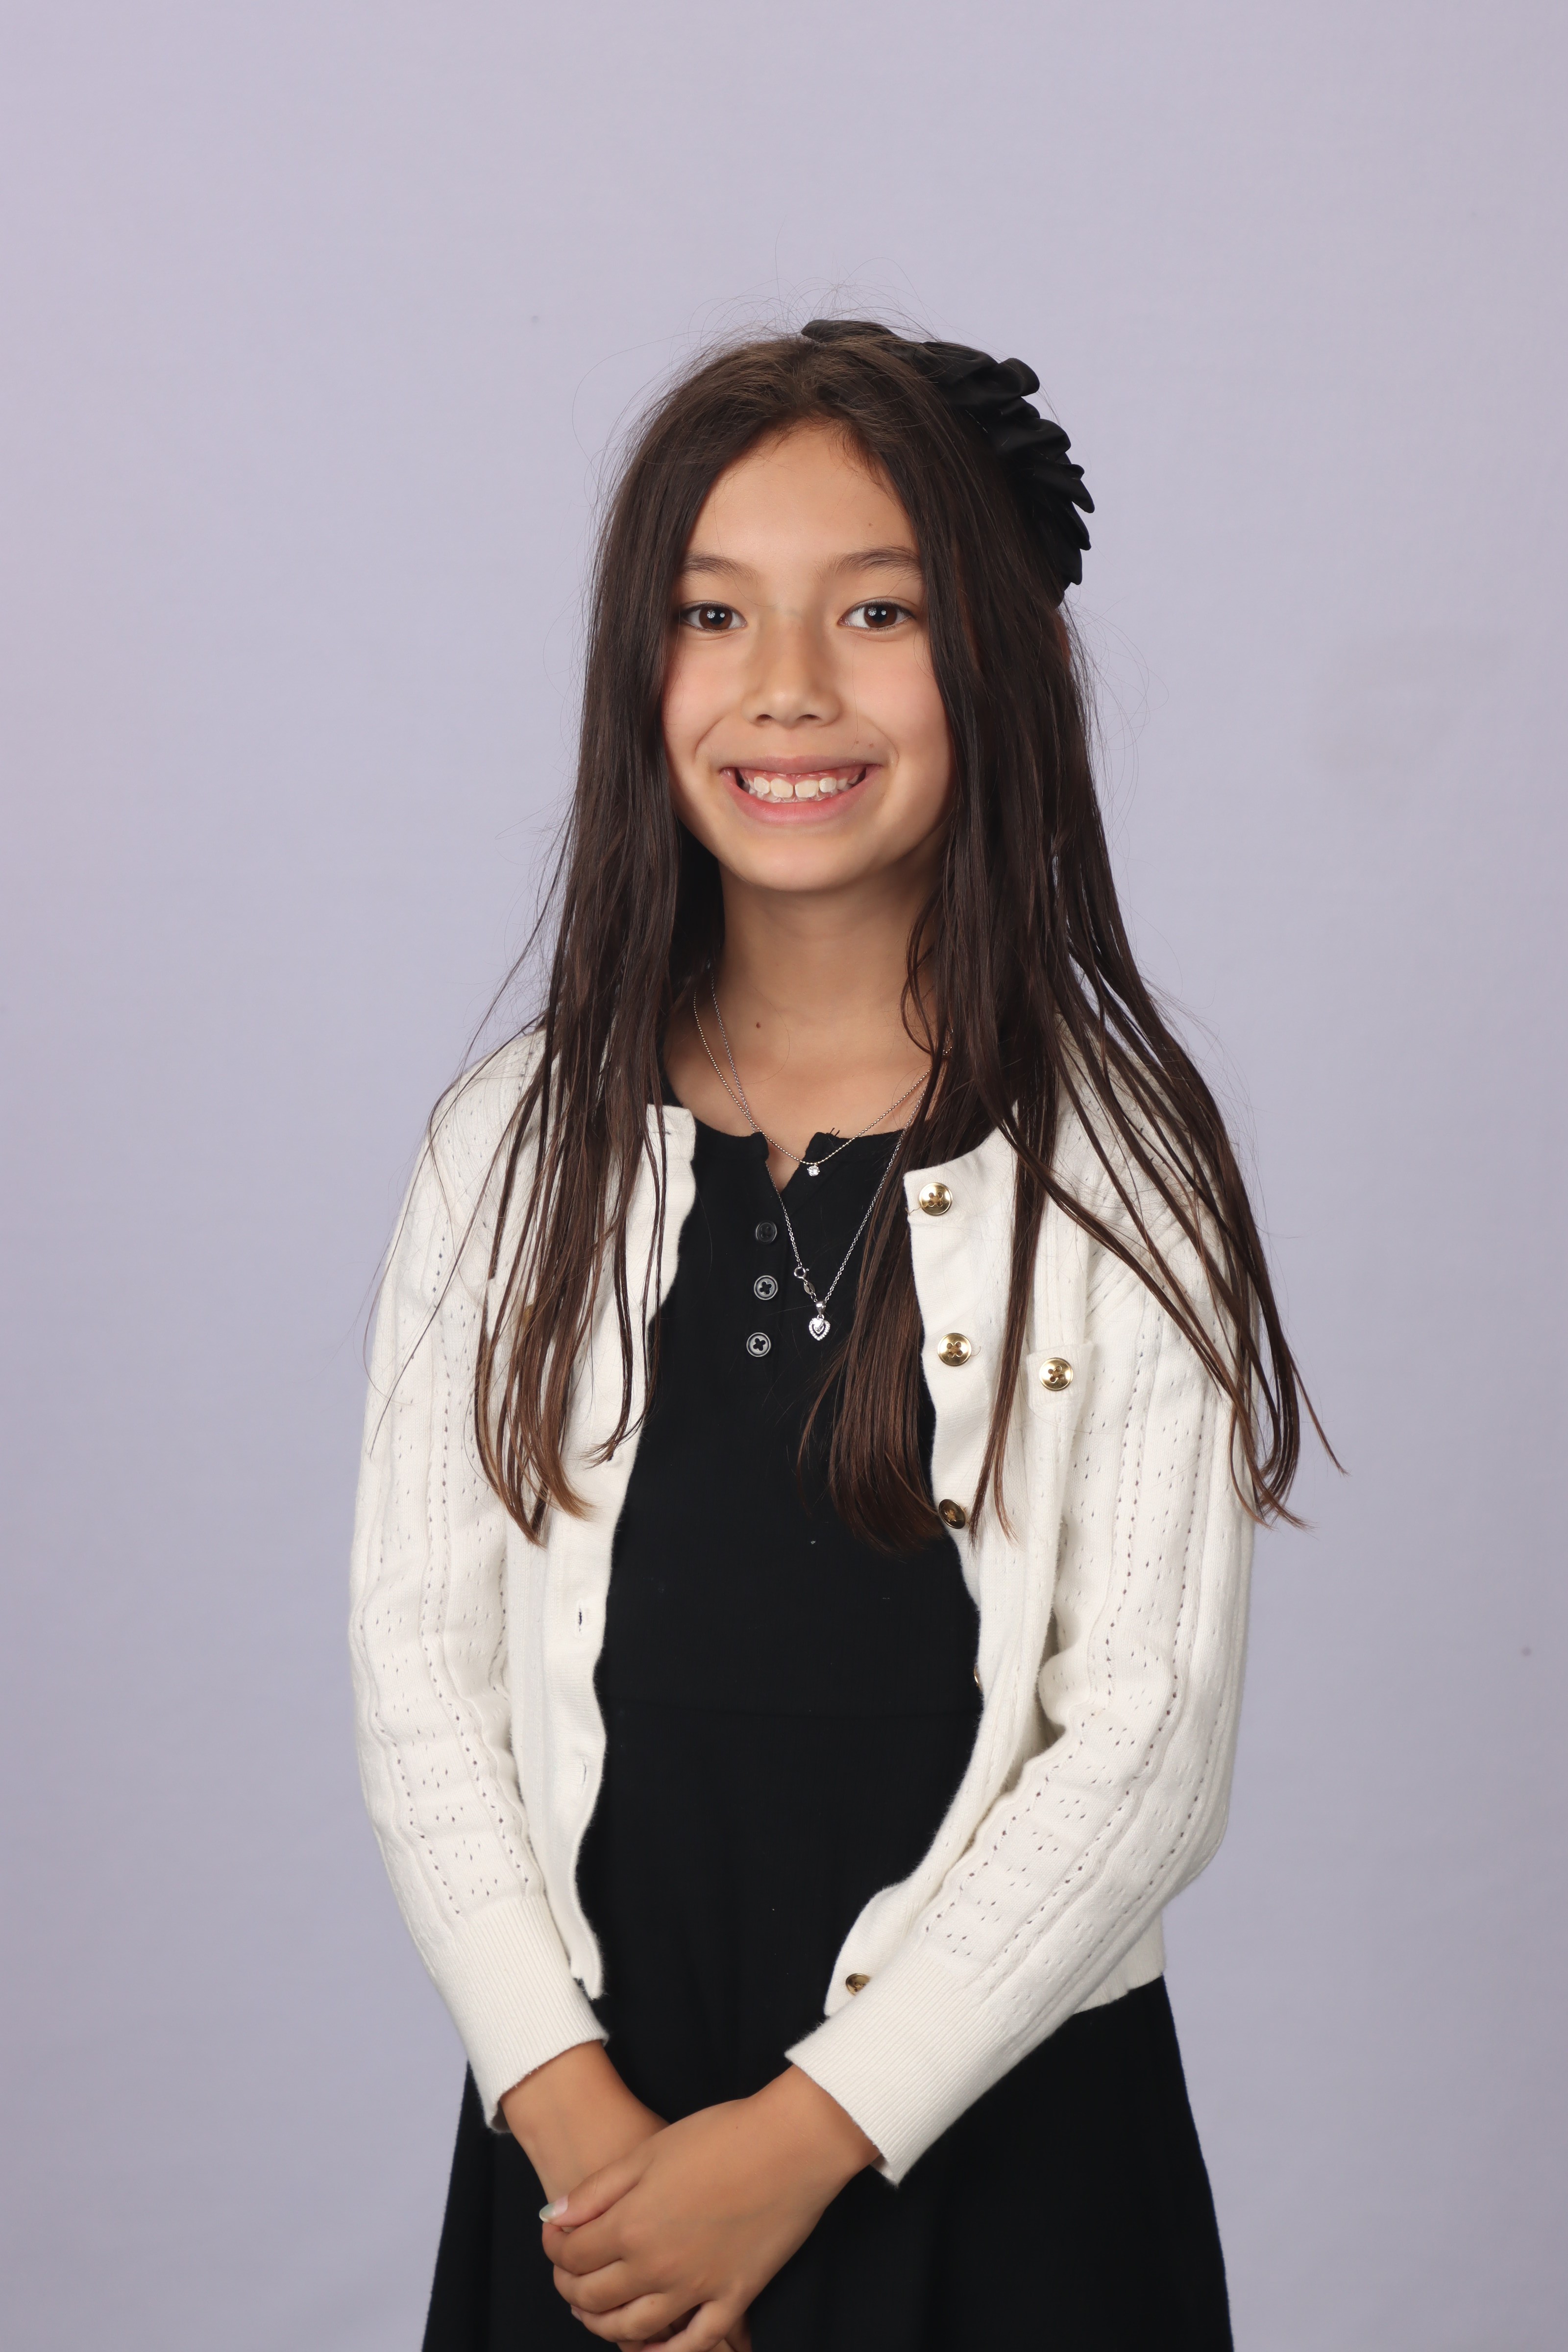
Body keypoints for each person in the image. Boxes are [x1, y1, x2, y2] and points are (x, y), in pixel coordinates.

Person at [349, 318, 1318, 2351]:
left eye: (877, 610)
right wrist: (580, 2128)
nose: (786, 683)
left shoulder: (1115, 1173)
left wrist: (800, 2144)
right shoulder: (508, 1150)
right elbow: (421, 1681)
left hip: (999, 2144)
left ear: (1002, 661)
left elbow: (1141, 1743)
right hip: (593, 2173)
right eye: (713, 613)